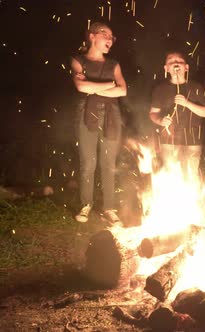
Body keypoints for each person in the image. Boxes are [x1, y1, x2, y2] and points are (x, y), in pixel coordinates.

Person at [71, 22, 127, 223]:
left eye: (112, 36)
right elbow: (80, 87)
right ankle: (86, 204)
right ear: (92, 36)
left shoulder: (114, 64)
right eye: (105, 34)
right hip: (86, 114)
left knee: (108, 163)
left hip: (112, 115)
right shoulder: (78, 61)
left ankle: (110, 208)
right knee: (88, 163)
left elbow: (122, 90)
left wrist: (93, 87)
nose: (110, 39)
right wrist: (109, 85)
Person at [149, 51, 205, 179]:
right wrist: (161, 121)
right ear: (166, 68)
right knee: (171, 176)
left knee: (191, 177)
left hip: (193, 141)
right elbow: (153, 113)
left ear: (186, 67)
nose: (176, 63)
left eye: (180, 61)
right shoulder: (160, 89)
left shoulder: (195, 87)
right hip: (169, 140)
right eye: (171, 61)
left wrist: (187, 103)